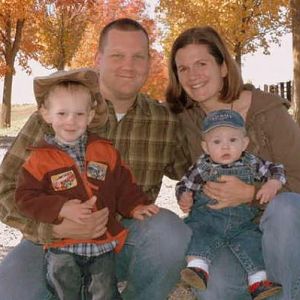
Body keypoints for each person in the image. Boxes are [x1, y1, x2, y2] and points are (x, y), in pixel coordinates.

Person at [0, 18, 192, 300]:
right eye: (117, 56)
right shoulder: (58, 115)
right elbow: (4, 188)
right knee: (11, 291)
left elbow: (193, 169)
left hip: (124, 236)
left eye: (138, 57)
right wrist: (52, 226)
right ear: (98, 59)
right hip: (53, 239)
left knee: (171, 233)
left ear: (149, 62)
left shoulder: (164, 121)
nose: (128, 65)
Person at [166, 25, 300, 300]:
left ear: (224, 67)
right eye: (183, 69)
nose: (193, 76)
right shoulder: (185, 120)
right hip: (224, 229)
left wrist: (252, 194)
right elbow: (176, 168)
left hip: (277, 229)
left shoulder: (267, 112)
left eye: (201, 64)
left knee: (286, 207)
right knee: (215, 290)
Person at [14, 68, 160, 300]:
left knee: (104, 291)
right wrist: (60, 208)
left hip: (101, 245)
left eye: (79, 114)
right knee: (65, 291)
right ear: (46, 114)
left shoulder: (105, 151)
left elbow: (124, 185)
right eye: (62, 114)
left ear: (90, 116)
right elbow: (24, 198)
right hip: (62, 247)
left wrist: (136, 206)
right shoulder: (39, 159)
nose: (71, 121)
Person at [176, 109, 284, 300]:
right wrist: (185, 196)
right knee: (197, 233)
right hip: (208, 219)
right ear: (206, 147)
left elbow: (276, 169)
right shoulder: (202, 167)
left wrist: (273, 183)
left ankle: (258, 282)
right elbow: (185, 184)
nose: (225, 147)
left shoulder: (252, 162)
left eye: (232, 141)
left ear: (245, 143)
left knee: (253, 243)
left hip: (243, 224)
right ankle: (198, 269)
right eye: (217, 142)